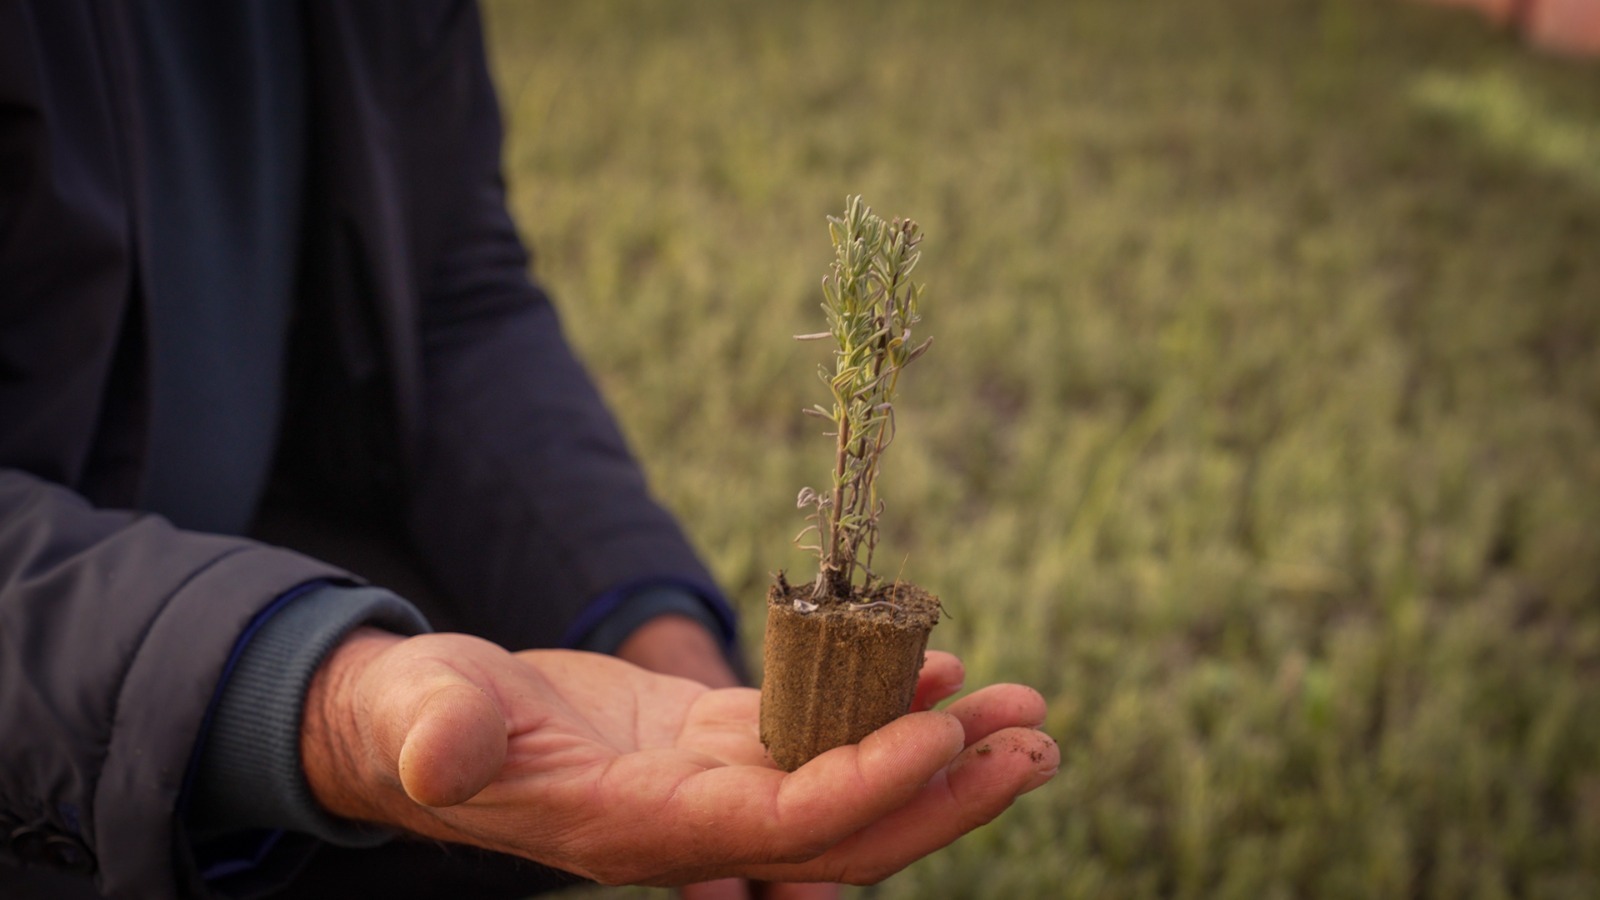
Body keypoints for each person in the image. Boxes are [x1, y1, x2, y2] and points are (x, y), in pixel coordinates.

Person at [0, 2, 1060, 899]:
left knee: (564, 761)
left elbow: (450, 292)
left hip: (250, 550)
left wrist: (648, 624)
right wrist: (293, 687)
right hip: (61, 651)